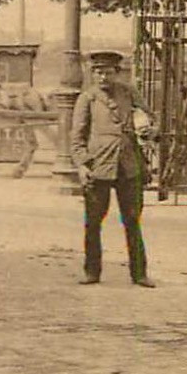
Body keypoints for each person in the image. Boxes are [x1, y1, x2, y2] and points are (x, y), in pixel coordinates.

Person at [70, 51, 157, 288]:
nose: (103, 77)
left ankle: (139, 274)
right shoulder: (87, 99)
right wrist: (82, 166)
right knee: (94, 221)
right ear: (93, 74)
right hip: (99, 166)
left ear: (117, 73)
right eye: (98, 72)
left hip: (129, 166)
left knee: (132, 219)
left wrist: (148, 130)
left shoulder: (129, 93)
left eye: (108, 72)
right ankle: (92, 271)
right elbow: (77, 138)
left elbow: (148, 119)